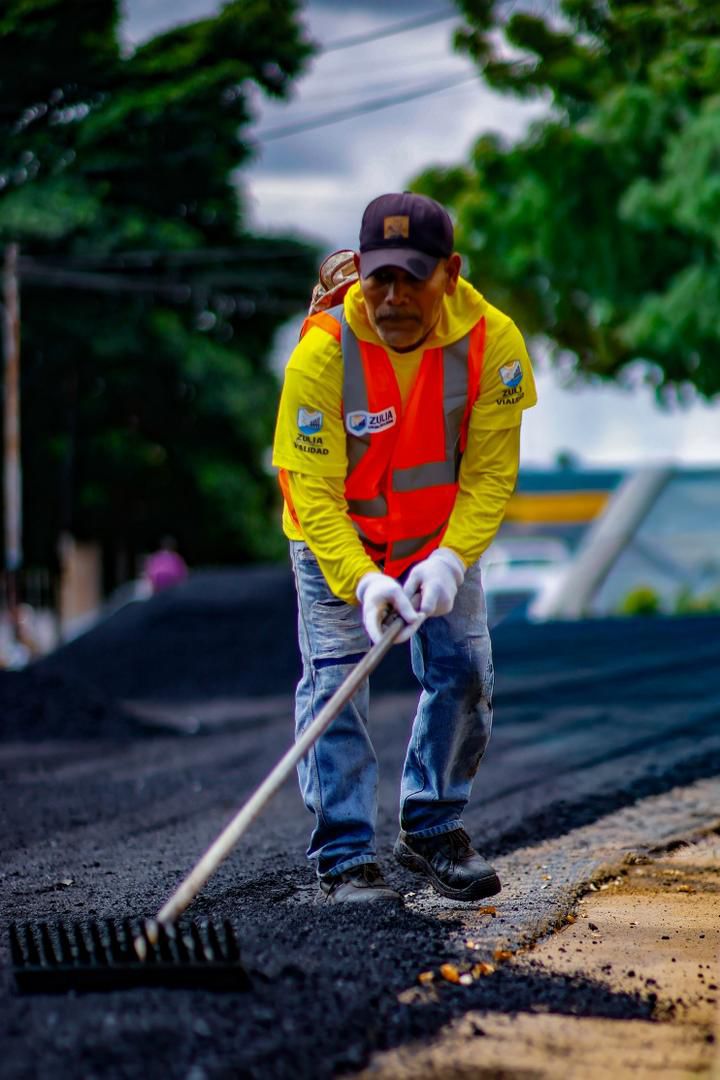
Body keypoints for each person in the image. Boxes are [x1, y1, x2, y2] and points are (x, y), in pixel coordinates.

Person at [272, 192, 537, 905]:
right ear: (359, 272)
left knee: (464, 671)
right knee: (336, 684)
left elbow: (489, 476)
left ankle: (431, 827)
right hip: (336, 542)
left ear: (449, 273)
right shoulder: (322, 355)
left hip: (438, 536)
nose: (392, 299)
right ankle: (345, 855)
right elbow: (314, 495)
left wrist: (450, 560)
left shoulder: (491, 343)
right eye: (378, 278)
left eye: (411, 279)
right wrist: (362, 582)